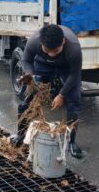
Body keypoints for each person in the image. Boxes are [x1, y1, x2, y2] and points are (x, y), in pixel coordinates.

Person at [11, 24, 84, 159]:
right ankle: (20, 134)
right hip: (43, 64)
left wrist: (61, 95)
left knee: (74, 101)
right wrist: (31, 76)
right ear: (41, 44)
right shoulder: (34, 41)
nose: (51, 54)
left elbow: (74, 74)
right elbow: (27, 60)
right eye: (47, 50)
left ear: (63, 42)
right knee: (28, 99)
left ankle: (71, 142)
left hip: (66, 67)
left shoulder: (73, 48)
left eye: (55, 51)